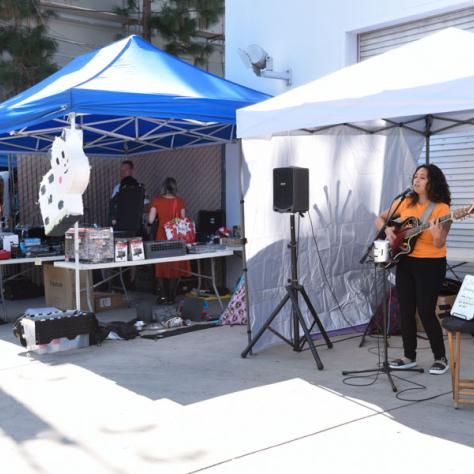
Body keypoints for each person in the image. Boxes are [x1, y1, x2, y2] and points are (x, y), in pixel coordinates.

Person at [374, 164, 451, 375]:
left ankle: (440, 357)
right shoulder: (406, 202)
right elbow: (379, 219)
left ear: (432, 182)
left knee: (426, 310)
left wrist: (436, 232)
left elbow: (439, 243)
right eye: (415, 177)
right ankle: (409, 356)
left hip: (431, 264)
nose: (416, 180)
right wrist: (388, 229)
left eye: (422, 177)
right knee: (406, 309)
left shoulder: (442, 209)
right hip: (406, 262)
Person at [148, 177, 191, 304]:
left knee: (161, 265)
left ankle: (163, 295)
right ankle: (172, 296)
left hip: (162, 236)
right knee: (175, 265)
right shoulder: (180, 201)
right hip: (176, 237)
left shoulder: (157, 201)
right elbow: (183, 220)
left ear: (163, 187)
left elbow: (150, 220)